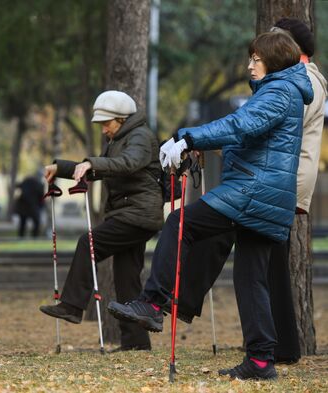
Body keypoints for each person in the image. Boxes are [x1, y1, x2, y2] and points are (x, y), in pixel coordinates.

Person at [107, 32, 313, 380]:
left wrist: (188, 137)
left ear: (274, 61)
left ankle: (153, 302)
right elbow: (250, 138)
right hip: (265, 193)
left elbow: (242, 126)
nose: (249, 65)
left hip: (252, 190)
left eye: (256, 59)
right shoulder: (282, 91)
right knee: (251, 279)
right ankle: (261, 361)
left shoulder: (279, 91)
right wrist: (205, 145)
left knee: (179, 224)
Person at [164, 19, 327, 365]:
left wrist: (195, 138)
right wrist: (214, 145)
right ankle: (269, 352)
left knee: (229, 246)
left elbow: (260, 132)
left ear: (291, 50)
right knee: (259, 269)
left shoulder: (296, 83)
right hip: (272, 182)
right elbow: (256, 133)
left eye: (273, 44)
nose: (256, 59)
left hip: (273, 184)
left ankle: (172, 299)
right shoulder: (289, 82)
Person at [39, 90, 164, 351]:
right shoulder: (119, 138)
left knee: (89, 243)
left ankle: (72, 306)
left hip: (138, 214)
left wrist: (92, 163)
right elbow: (105, 166)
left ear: (121, 118)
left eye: (107, 123)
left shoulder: (139, 136)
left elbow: (128, 163)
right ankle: (136, 342)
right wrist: (61, 168)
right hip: (132, 214)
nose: (104, 129)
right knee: (126, 277)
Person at [14, 174, 45, 238]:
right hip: (33, 206)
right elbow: (41, 197)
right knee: (36, 222)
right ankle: (34, 237)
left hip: (24, 206)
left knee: (23, 223)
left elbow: (18, 187)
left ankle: (21, 237)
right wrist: (41, 206)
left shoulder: (25, 183)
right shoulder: (39, 185)